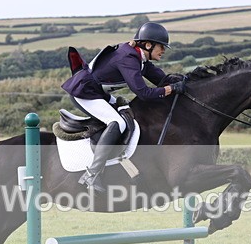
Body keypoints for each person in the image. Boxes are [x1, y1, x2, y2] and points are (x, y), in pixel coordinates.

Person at [61, 22, 185, 193]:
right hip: (84, 92)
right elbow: (144, 93)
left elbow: (161, 79)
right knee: (117, 122)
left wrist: (185, 82)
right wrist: (170, 89)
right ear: (148, 45)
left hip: (98, 93)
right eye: (161, 46)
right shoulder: (128, 58)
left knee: (127, 114)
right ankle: (92, 174)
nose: (163, 50)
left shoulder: (140, 59)